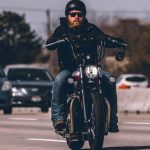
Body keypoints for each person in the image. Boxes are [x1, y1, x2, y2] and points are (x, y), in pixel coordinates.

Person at [46, 0, 124, 133]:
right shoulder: (61, 30)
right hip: (69, 69)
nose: (76, 17)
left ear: (83, 16)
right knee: (59, 80)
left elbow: (103, 37)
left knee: (110, 80)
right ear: (67, 16)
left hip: (90, 68)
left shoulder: (91, 29)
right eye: (73, 14)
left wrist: (115, 41)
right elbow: (50, 43)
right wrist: (55, 41)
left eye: (80, 14)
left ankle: (112, 120)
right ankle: (58, 118)